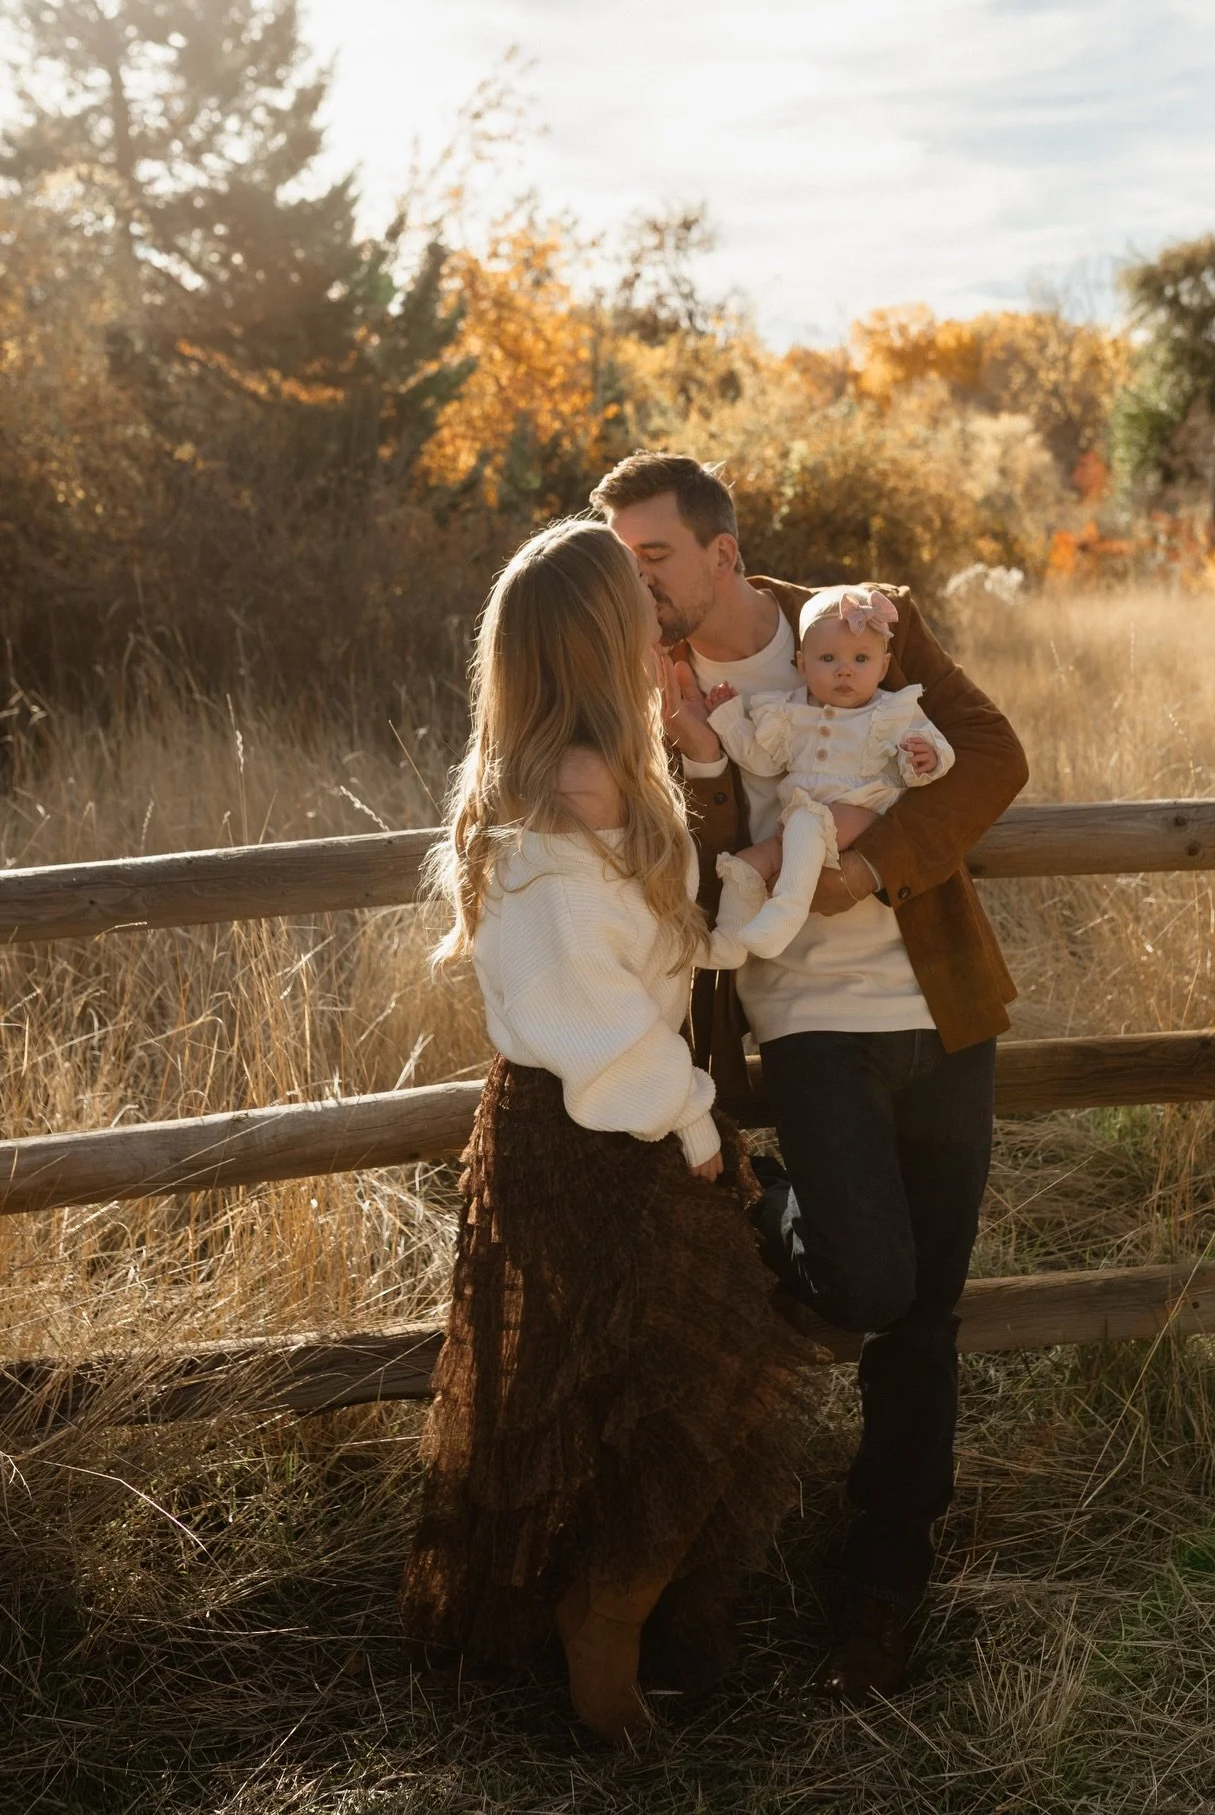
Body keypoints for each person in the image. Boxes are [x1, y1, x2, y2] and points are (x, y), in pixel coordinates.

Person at [593, 451, 1028, 1702]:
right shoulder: (637, 678)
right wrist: (694, 758)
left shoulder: (859, 619)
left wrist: (875, 864)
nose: (634, 581)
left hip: (943, 1006)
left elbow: (990, 753)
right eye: (619, 560)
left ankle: (881, 1586)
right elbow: (683, 863)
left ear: (722, 554)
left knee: (926, 1316)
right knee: (872, 1279)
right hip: (804, 1023)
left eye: (653, 556)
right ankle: (760, 1199)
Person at [398, 518, 815, 1745]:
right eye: (634, 605)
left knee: (650, 1384)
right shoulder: (552, 809)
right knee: (703, 1366)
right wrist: (697, 1129)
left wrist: (756, 877)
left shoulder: (600, 775)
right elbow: (596, 1023)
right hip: (595, 1130)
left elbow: (652, 958)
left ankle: (608, 1621)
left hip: (611, 1117)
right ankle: (602, 1632)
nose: (655, 620)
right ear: (594, 638)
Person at [704, 583, 955, 960]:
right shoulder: (789, 713)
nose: (844, 671)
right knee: (748, 863)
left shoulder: (891, 712)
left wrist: (927, 758)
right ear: (803, 665)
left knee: (809, 821)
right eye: (827, 659)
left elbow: (931, 749)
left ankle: (786, 914)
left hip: (861, 814)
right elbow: (761, 761)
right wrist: (729, 719)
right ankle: (729, 944)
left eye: (861, 659)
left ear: (883, 666)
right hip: (795, 828)